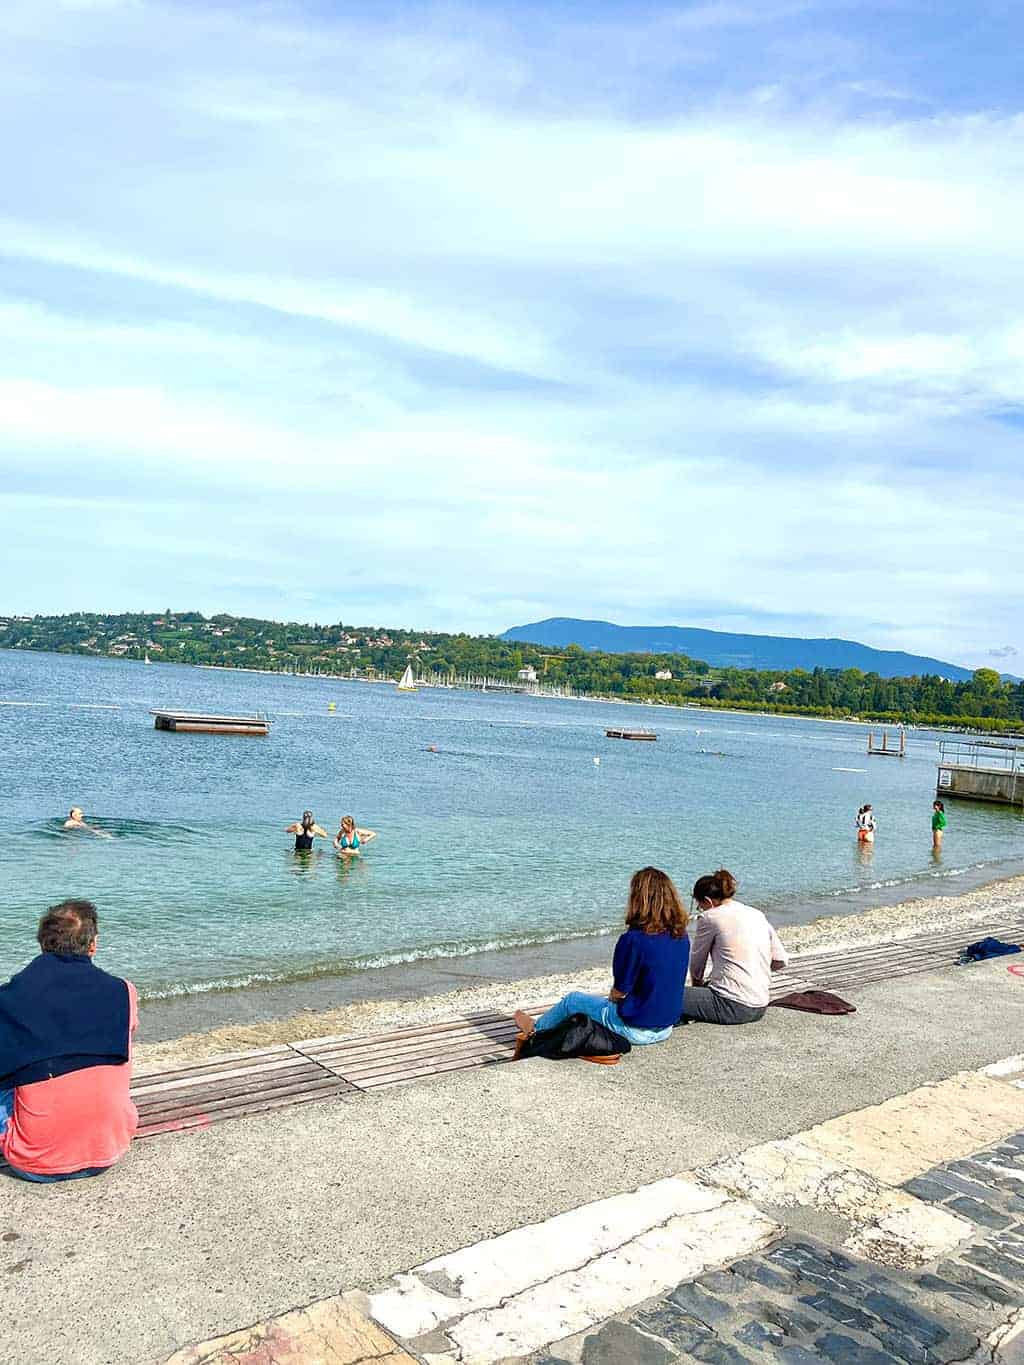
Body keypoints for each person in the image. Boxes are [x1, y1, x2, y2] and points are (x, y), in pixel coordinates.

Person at [0, 900, 137, 1182]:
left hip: (34, 1162)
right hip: (109, 1149)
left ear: (42, 942)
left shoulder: (9, 998)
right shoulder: (124, 992)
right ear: (93, 945)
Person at [514, 867, 690, 1047]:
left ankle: (536, 1029)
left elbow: (620, 990)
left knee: (572, 1001)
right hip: (665, 1027)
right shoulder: (681, 936)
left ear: (638, 900)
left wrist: (611, 1002)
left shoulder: (634, 940)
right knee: (597, 1004)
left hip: (635, 1029)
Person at [680, 869, 787, 1025]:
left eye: (700, 906)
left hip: (731, 1006)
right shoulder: (756, 914)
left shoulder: (710, 917)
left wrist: (699, 988)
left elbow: (697, 966)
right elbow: (781, 960)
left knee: (663, 994)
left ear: (708, 901)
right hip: (760, 1004)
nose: (700, 910)